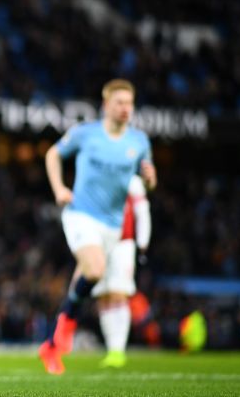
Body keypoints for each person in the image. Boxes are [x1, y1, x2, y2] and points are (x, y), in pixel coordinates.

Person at [39, 79, 157, 375]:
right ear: (106, 105)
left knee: (83, 281)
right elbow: (52, 154)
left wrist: (150, 177)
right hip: (80, 215)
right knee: (94, 270)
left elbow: (147, 183)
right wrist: (59, 189)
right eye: (119, 103)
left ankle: (53, 345)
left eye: (129, 104)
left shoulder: (139, 142)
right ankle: (65, 331)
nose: (125, 109)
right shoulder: (85, 134)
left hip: (113, 227)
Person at [94, 174, 152, 367]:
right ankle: (111, 348)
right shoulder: (96, 178)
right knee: (103, 296)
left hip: (122, 244)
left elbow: (142, 210)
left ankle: (118, 350)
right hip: (99, 244)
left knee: (119, 294)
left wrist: (143, 240)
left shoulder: (131, 180)